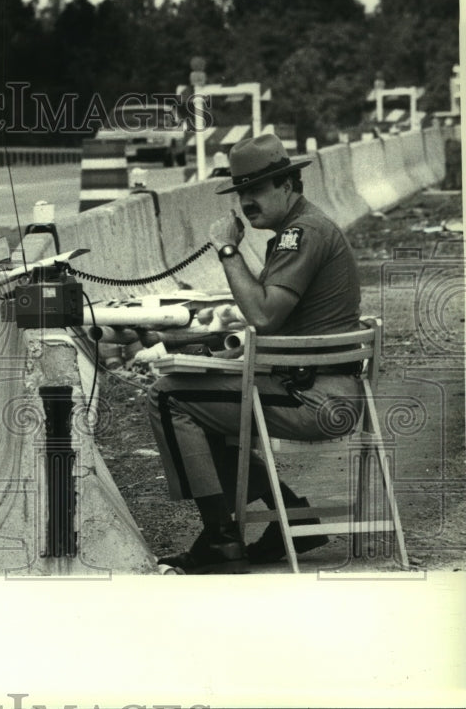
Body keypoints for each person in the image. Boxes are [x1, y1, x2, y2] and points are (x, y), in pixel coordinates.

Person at [146, 133, 364, 573]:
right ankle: (290, 512)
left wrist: (227, 250)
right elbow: (276, 322)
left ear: (287, 184)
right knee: (200, 400)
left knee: (167, 397)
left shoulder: (301, 234)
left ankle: (221, 541)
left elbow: (264, 317)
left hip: (317, 399)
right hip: (318, 387)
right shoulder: (299, 230)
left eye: (256, 190)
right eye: (241, 191)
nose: (246, 201)